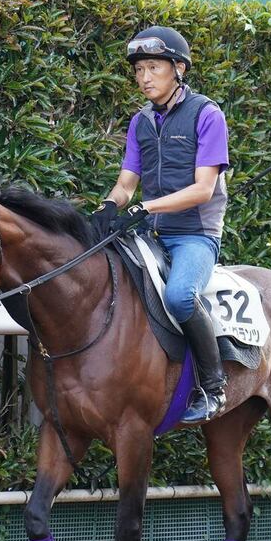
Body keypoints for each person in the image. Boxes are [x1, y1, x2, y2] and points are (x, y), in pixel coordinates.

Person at [94, 25, 229, 423]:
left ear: (179, 69)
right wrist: (108, 207)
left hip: (195, 236)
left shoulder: (207, 114)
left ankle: (215, 386)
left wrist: (146, 207)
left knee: (179, 298)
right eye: (139, 70)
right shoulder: (140, 123)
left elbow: (204, 189)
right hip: (152, 234)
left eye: (153, 67)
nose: (144, 77)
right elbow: (125, 185)